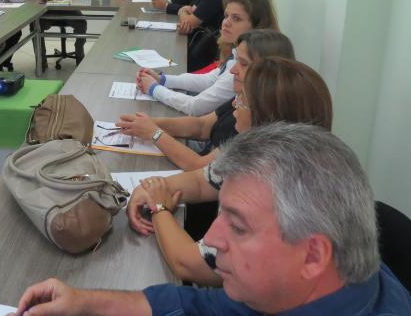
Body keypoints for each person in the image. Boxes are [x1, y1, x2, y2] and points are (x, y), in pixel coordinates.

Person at [10, 123, 411, 316]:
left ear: (313, 254)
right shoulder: (297, 287)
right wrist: (84, 303)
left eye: (238, 226)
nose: (211, 237)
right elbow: (193, 303)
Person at [127, 58, 333, 286]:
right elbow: (200, 181)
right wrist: (147, 188)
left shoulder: (271, 190)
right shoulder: (257, 153)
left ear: (267, 120)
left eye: (242, 100)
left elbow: (189, 264)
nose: (234, 105)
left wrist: (159, 208)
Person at [117, 30, 295, 171]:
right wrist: (146, 124)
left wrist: (154, 133)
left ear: (270, 71)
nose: (233, 71)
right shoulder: (242, 97)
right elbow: (201, 126)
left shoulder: (257, 122)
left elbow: (199, 166)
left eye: (243, 63)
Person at [136, 0, 278, 116]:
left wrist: (154, 89)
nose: (226, 23)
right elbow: (208, 80)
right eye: (226, 16)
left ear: (257, 26)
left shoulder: (245, 67)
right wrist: (163, 80)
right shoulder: (236, 54)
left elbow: (195, 107)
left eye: (236, 19)